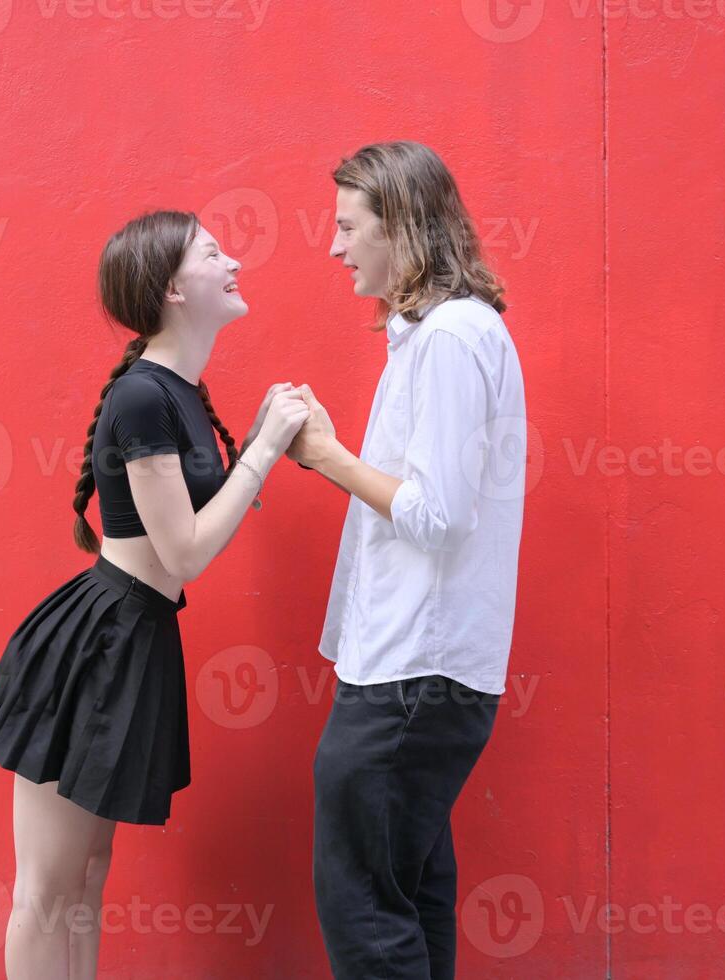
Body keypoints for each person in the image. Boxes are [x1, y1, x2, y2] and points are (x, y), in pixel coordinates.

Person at [0, 209, 308, 979]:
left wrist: (255, 439)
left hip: (136, 636)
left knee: (88, 877)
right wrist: (262, 451)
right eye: (214, 253)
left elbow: (197, 519)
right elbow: (184, 552)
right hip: (96, 645)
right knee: (48, 891)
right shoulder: (144, 397)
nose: (235, 264)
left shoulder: (180, 390)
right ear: (171, 289)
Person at [287, 141, 528, 979]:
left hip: (411, 676)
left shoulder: (452, 339)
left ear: (405, 228)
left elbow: (437, 515)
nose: (335, 245)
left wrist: (325, 454)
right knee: (408, 889)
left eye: (349, 226)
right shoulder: (436, 336)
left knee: (361, 900)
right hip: (410, 672)